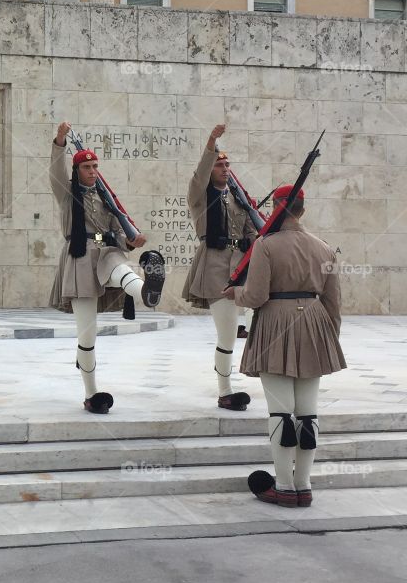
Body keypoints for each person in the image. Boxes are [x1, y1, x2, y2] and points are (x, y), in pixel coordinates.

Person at [223, 185, 345, 507]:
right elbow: (333, 304)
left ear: (275, 209)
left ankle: (284, 486)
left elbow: (256, 296)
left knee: (280, 412)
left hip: (276, 321)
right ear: (302, 210)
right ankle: (303, 486)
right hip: (315, 323)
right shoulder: (325, 249)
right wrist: (328, 336)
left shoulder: (265, 245)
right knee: (307, 414)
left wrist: (234, 293)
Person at [49, 122, 165, 414]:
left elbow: (119, 231)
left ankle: (148, 292)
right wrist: (60, 142)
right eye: (87, 167)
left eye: (95, 166)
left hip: (107, 251)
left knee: (123, 269)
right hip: (80, 256)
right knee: (87, 335)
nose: (92, 171)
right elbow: (56, 171)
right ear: (78, 171)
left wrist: (132, 240)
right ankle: (91, 393)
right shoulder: (67, 193)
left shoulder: (106, 200)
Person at [183, 124, 257, 411]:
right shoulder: (199, 196)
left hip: (243, 265)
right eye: (219, 164)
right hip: (214, 265)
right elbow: (199, 175)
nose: (225, 169)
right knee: (227, 332)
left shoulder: (239, 199)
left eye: (227, 164)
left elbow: (252, 229)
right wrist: (211, 142)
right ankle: (225, 391)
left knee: (258, 313)